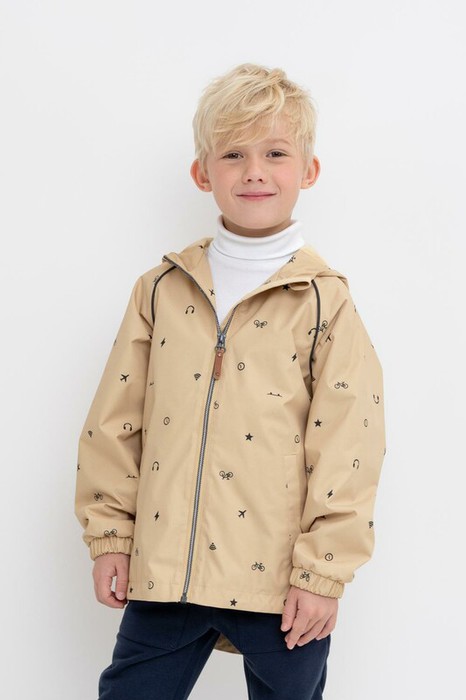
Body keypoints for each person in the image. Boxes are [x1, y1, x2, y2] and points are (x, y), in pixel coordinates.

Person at [75, 63, 386, 699]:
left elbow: (350, 445)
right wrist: (111, 536)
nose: (254, 171)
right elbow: (115, 422)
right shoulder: (161, 289)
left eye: (275, 153)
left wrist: (322, 574)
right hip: (166, 572)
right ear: (203, 173)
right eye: (233, 154)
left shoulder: (324, 300)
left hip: (280, 586)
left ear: (308, 170)